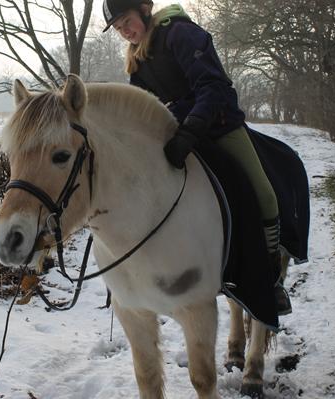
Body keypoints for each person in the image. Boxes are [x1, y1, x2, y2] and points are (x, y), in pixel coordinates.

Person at [102, 0, 292, 315]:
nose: (124, 31)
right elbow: (143, 109)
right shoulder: (137, 60)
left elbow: (213, 86)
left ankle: (271, 281)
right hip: (176, 135)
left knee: (265, 196)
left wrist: (190, 130)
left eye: (127, 21)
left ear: (145, 9)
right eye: (119, 27)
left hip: (218, 126)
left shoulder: (181, 33)